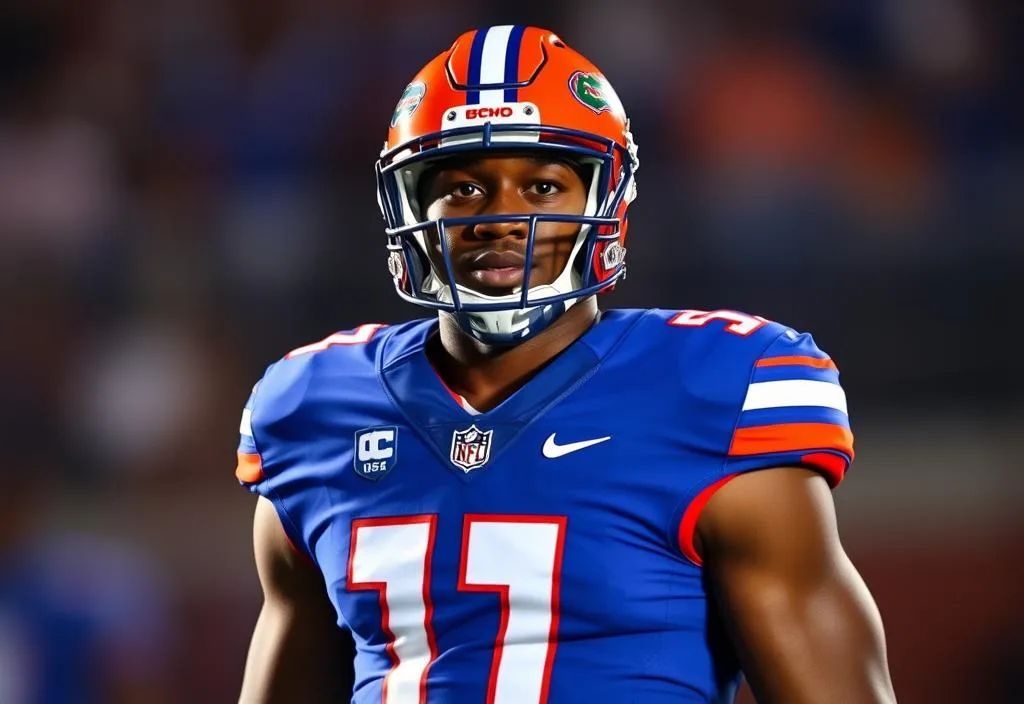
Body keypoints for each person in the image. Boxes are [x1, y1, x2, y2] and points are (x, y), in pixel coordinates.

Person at [235, 25, 897, 703]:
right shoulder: (312, 409)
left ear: (604, 200)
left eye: (543, 186)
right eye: (463, 189)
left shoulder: (715, 388)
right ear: (406, 203)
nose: (500, 217)